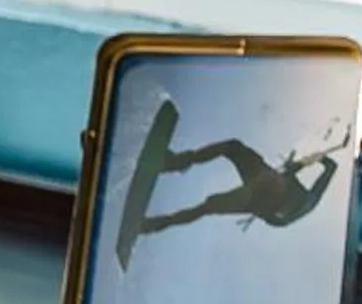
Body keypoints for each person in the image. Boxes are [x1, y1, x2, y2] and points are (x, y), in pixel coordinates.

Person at [114, 97, 343, 269]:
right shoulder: (288, 177)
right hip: (263, 181)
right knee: (232, 147)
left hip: (260, 200)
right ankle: (174, 162)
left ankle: (151, 225)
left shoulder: (307, 202)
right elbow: (291, 170)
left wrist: (321, 158)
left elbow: (331, 168)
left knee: (208, 205)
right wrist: (305, 161)